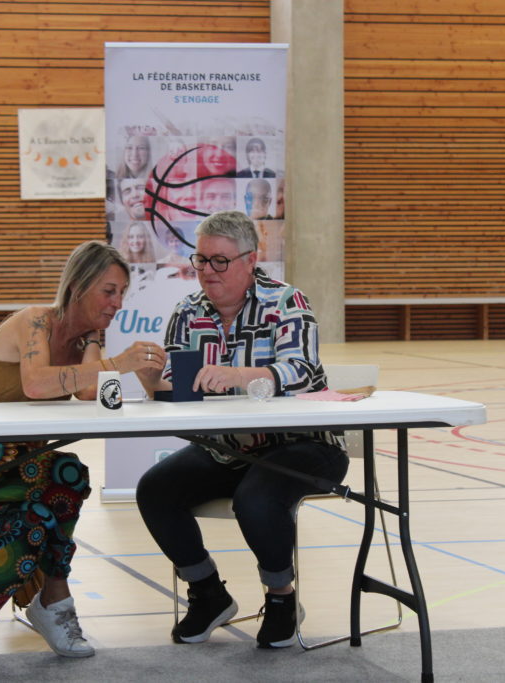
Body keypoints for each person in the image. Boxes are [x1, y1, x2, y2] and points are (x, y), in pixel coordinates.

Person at [0, 241, 166, 667]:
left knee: (65, 478)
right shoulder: (34, 321)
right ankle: (48, 603)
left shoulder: (85, 341)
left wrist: (139, 370)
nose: (118, 303)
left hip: (11, 468)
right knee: (45, 505)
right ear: (78, 286)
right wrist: (117, 363)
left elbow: (90, 393)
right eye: (109, 291)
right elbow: (37, 384)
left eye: (122, 293)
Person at [134, 211, 348, 649]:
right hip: (229, 449)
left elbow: (303, 372)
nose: (207, 271)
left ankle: (282, 597)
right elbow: (180, 389)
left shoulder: (286, 301)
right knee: (155, 490)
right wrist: (153, 382)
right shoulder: (187, 312)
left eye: (220, 261)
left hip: (305, 445)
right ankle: (208, 593)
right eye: (201, 260)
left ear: (251, 260)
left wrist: (240, 376)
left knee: (256, 499)